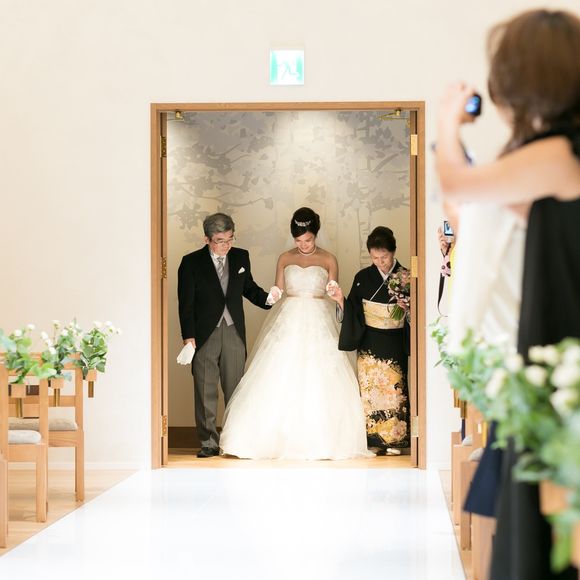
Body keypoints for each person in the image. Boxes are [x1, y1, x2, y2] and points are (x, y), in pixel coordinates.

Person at [436, 9, 580, 579]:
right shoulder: (556, 158)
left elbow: (459, 184)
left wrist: (448, 123)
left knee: (543, 542)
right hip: (551, 358)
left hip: (557, 360)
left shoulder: (559, 152)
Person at [219, 207, 371, 460]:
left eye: (308, 240)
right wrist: (274, 293)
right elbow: (278, 289)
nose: (303, 245)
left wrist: (335, 292)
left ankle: (322, 439)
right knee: (279, 372)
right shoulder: (284, 258)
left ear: (316, 235)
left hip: (319, 317)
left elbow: (333, 290)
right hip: (288, 317)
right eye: (299, 240)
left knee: (320, 373)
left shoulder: (329, 259)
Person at [177, 212, 277, 458]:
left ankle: (234, 440)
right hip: (204, 334)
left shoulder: (241, 256)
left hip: (234, 332)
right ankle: (209, 442)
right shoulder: (191, 262)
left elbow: (249, 288)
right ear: (207, 239)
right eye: (220, 241)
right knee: (205, 389)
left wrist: (268, 299)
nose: (226, 245)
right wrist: (188, 337)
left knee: (236, 389)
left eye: (230, 239)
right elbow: (186, 304)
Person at [327, 226, 411, 455]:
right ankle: (374, 439)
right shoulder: (363, 278)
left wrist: (407, 308)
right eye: (375, 258)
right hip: (369, 342)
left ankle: (394, 439)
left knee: (394, 389)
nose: (380, 262)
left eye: (384, 257)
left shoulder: (405, 276)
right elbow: (354, 310)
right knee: (371, 391)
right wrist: (340, 300)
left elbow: (416, 312)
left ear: (393, 252)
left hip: (393, 339)